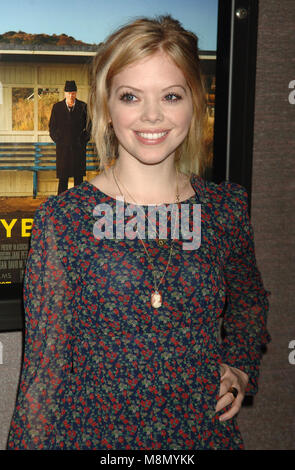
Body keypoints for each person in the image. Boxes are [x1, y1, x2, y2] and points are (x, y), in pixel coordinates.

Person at [7, 15, 271, 450]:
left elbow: (248, 297)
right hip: (93, 439)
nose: (152, 115)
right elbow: (42, 374)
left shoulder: (225, 209)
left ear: (195, 103)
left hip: (200, 436)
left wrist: (240, 367)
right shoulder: (64, 220)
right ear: (107, 107)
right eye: (131, 96)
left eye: (171, 95)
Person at [49, 80, 90, 195]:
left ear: (76, 93)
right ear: (64, 93)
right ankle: (61, 203)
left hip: (78, 148)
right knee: (63, 178)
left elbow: (89, 126)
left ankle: (78, 203)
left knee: (78, 179)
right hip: (63, 149)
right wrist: (59, 140)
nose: (71, 95)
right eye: (68, 93)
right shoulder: (57, 108)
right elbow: (52, 128)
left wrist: (82, 140)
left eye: (73, 93)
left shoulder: (83, 107)